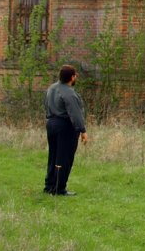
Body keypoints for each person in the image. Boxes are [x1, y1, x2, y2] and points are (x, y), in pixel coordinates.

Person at [43, 64, 88, 196]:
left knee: (53, 156)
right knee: (64, 158)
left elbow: (45, 104)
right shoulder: (69, 93)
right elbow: (75, 113)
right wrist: (82, 130)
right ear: (72, 77)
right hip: (65, 127)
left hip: (51, 123)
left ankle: (49, 185)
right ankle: (59, 188)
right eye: (75, 75)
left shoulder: (51, 88)